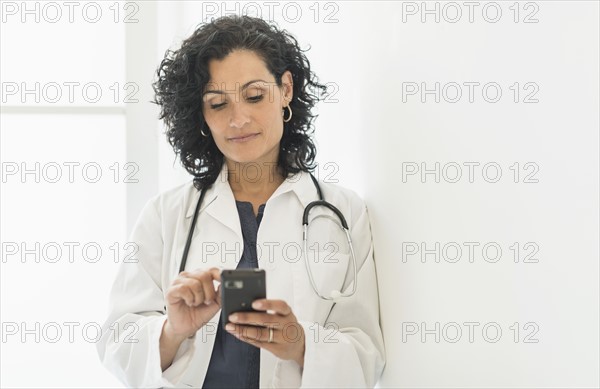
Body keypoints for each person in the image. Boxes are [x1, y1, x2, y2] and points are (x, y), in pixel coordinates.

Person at [96, 14, 385, 388]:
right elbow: (118, 343)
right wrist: (172, 330)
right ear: (200, 114)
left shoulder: (344, 214)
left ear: (285, 90)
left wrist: (301, 344)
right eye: (217, 104)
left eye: (254, 96)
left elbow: (367, 354)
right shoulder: (165, 216)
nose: (238, 119)